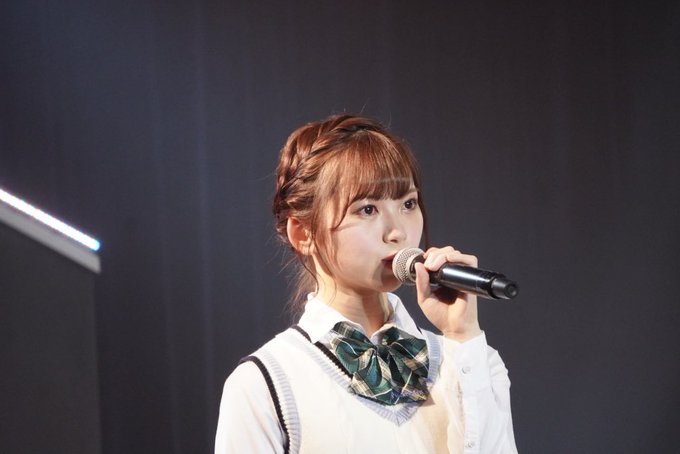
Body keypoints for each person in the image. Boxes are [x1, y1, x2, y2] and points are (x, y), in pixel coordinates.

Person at [215, 114, 517, 453]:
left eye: (408, 204)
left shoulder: (471, 362)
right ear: (303, 233)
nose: (397, 232)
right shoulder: (266, 384)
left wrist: (462, 336)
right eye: (368, 209)